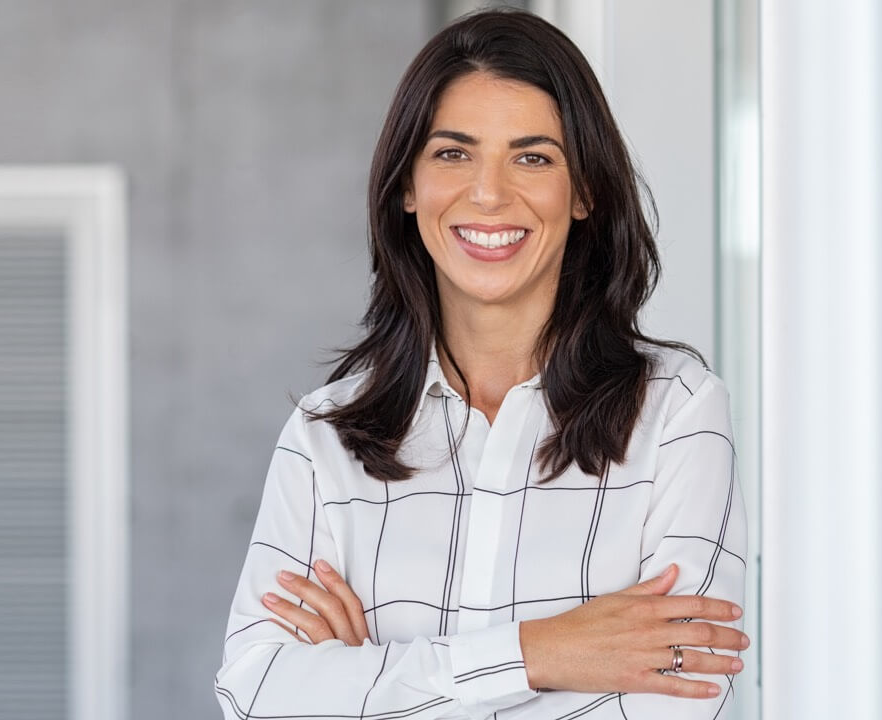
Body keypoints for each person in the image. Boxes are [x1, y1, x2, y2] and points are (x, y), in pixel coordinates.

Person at [213, 9, 747, 720]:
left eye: (533, 157)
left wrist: (374, 680)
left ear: (583, 191)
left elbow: (687, 695)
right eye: (453, 154)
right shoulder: (323, 439)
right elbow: (256, 695)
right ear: (408, 187)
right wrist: (543, 653)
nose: (489, 193)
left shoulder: (677, 414)